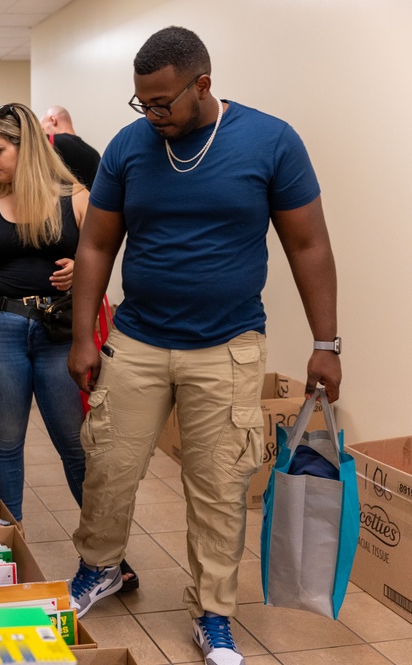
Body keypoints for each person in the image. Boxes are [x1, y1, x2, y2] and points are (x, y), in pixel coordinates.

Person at [65, 26, 340, 665]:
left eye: (162, 103)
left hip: (229, 346)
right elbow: (97, 244)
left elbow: (309, 245)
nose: (151, 115)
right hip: (136, 340)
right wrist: (85, 335)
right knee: (109, 465)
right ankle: (99, 567)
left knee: (218, 487)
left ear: (203, 85)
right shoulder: (129, 148)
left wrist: (326, 342)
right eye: (142, 103)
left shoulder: (270, 141)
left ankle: (213, 614)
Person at [0, 101, 88, 525]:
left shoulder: (76, 199)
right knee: (7, 441)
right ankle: (11, 538)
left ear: (26, 149)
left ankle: (105, 550)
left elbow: (103, 253)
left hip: (58, 332)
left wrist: (83, 269)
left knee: (74, 444)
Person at [39, 106, 101, 189]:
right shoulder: (94, 155)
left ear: (53, 120)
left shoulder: (50, 142)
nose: (43, 133)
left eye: (43, 129)